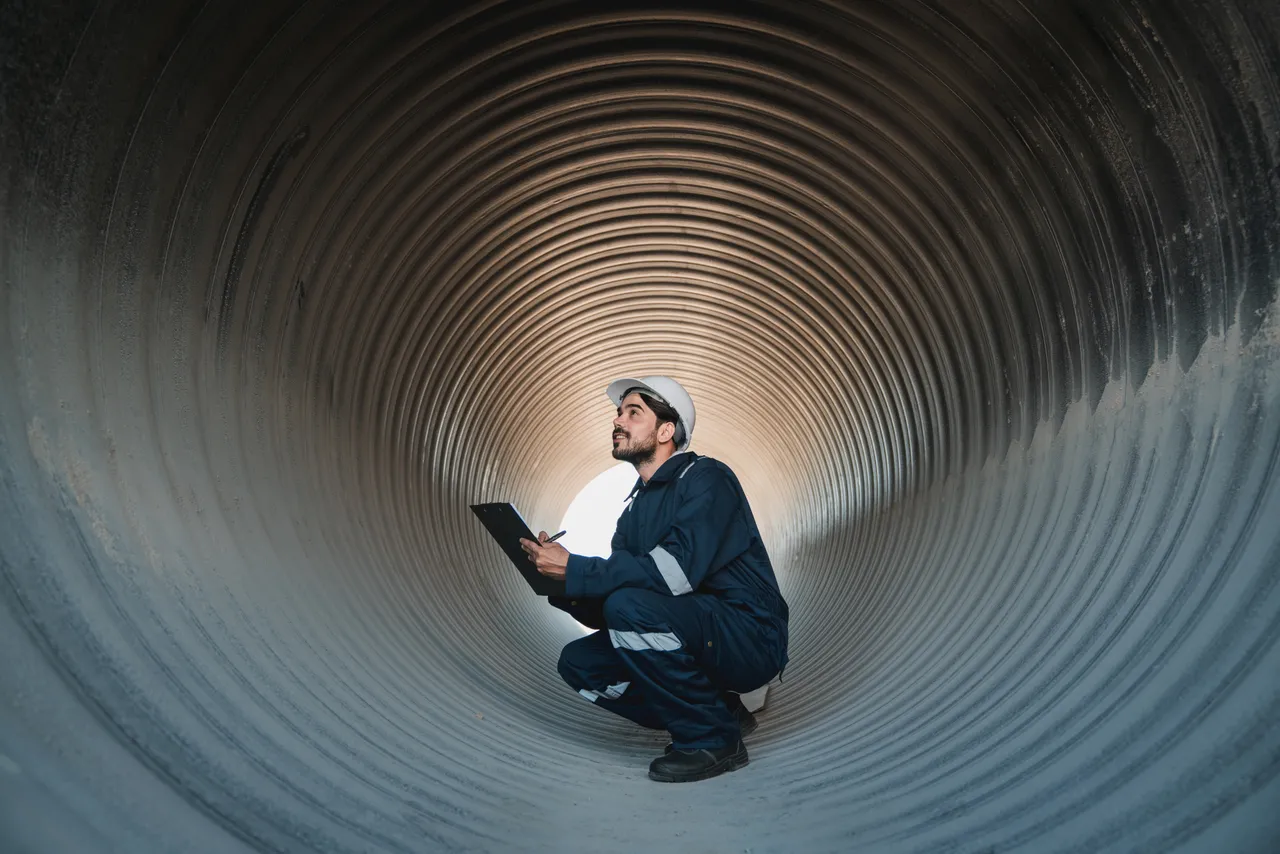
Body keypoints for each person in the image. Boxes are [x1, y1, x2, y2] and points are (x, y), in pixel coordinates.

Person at [519, 375, 789, 783]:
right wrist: (558, 579)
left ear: (666, 430)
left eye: (633, 412)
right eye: (618, 412)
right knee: (581, 664)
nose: (618, 420)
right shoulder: (633, 511)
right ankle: (720, 711)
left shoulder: (705, 479)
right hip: (695, 636)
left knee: (631, 606)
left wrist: (577, 568)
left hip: (748, 635)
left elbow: (674, 573)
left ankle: (714, 739)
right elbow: (613, 611)